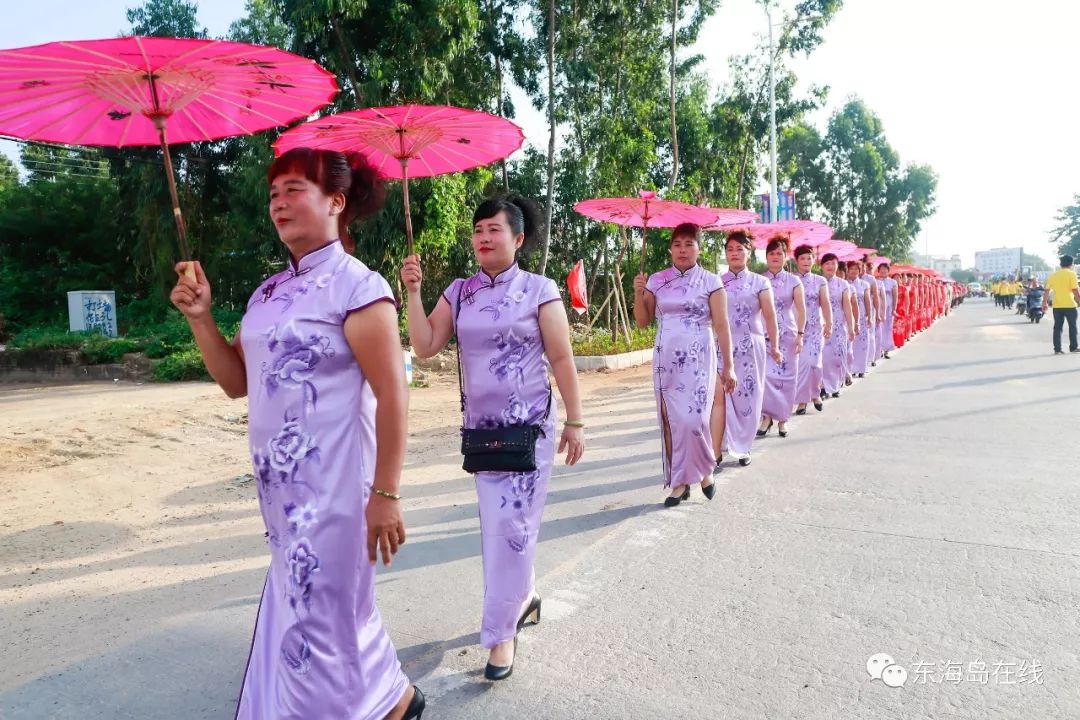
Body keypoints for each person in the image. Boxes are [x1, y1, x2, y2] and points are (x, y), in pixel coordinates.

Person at [171, 148, 424, 720]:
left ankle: (370, 706)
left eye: (293, 190)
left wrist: (385, 494)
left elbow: (393, 394)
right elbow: (238, 382)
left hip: (337, 495)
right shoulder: (266, 294)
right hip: (282, 501)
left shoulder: (358, 289)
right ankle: (394, 702)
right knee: (324, 614)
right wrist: (200, 318)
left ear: (336, 202)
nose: (278, 203)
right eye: (272, 194)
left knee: (319, 622)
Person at [401, 193, 585, 680]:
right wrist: (414, 293)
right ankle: (521, 599)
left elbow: (562, 359)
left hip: (531, 430)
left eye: (494, 230)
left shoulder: (539, 289)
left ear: (518, 239)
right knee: (500, 530)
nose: (483, 238)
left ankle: (501, 635)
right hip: (485, 435)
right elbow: (424, 346)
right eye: (478, 230)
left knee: (512, 528)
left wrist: (576, 420)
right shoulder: (459, 292)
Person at [633, 224, 737, 507]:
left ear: (699, 249)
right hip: (665, 358)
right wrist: (638, 292)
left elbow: (722, 325)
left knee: (694, 420)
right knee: (672, 422)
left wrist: (729, 366)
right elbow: (643, 321)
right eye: (677, 244)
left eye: (689, 244)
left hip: (699, 357)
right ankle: (680, 483)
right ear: (670, 249)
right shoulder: (657, 280)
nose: (682, 249)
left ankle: (704, 470)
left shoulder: (711, 281)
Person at [714, 229, 781, 467]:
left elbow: (770, 316)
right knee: (722, 396)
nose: (734, 253)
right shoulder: (717, 282)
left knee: (749, 396)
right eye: (730, 249)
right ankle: (720, 445)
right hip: (722, 347)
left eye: (739, 249)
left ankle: (743, 446)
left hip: (751, 349)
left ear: (748, 253)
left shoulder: (760, 282)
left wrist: (775, 345)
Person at [757, 236, 804, 438]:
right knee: (766, 376)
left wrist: (801, 334)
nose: (775, 257)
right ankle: (766, 416)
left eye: (779, 253)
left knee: (787, 378)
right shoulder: (759, 280)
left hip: (788, 334)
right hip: (765, 334)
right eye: (772, 253)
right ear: (766, 256)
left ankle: (783, 419)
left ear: (786, 257)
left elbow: (802, 311)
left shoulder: (794, 281)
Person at [794, 245, 831, 414]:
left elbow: (825, 303)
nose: (806, 261)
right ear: (796, 261)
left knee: (814, 364)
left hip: (815, 328)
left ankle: (816, 392)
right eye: (802, 258)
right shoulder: (791, 279)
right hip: (796, 329)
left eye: (809, 258)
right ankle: (802, 400)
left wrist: (829, 323)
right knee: (802, 365)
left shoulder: (820, 281)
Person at [820, 254, 854, 399]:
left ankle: (834, 385)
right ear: (821, 266)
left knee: (837, 357)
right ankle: (822, 386)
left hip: (839, 326)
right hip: (820, 326)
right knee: (822, 357)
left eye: (833, 263)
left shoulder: (843, 284)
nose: (830, 266)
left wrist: (851, 327)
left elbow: (847, 307)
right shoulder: (817, 282)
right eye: (827, 263)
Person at [1042, 255, 1080, 355]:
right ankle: (1073, 347)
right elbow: (1075, 289)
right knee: (1072, 326)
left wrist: (1044, 303)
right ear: (1071, 264)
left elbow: (1046, 290)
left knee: (1057, 327)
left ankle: (1057, 349)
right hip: (1070, 305)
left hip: (1057, 306)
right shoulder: (1072, 274)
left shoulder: (1054, 275)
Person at [846, 259, 873, 378]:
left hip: (861, 316)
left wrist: (869, 316)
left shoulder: (864, 284)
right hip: (847, 316)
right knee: (849, 343)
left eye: (856, 269)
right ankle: (849, 369)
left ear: (860, 271)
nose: (853, 271)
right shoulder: (843, 283)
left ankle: (861, 367)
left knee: (861, 343)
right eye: (851, 268)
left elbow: (867, 301)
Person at [875, 262, 898, 359]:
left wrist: (894, 309)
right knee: (878, 329)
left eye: (885, 269)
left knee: (887, 329)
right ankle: (878, 349)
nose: (883, 271)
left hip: (888, 309)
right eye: (881, 269)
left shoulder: (893, 282)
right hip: (878, 308)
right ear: (878, 270)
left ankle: (887, 350)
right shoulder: (875, 281)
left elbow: (895, 296)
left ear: (888, 271)